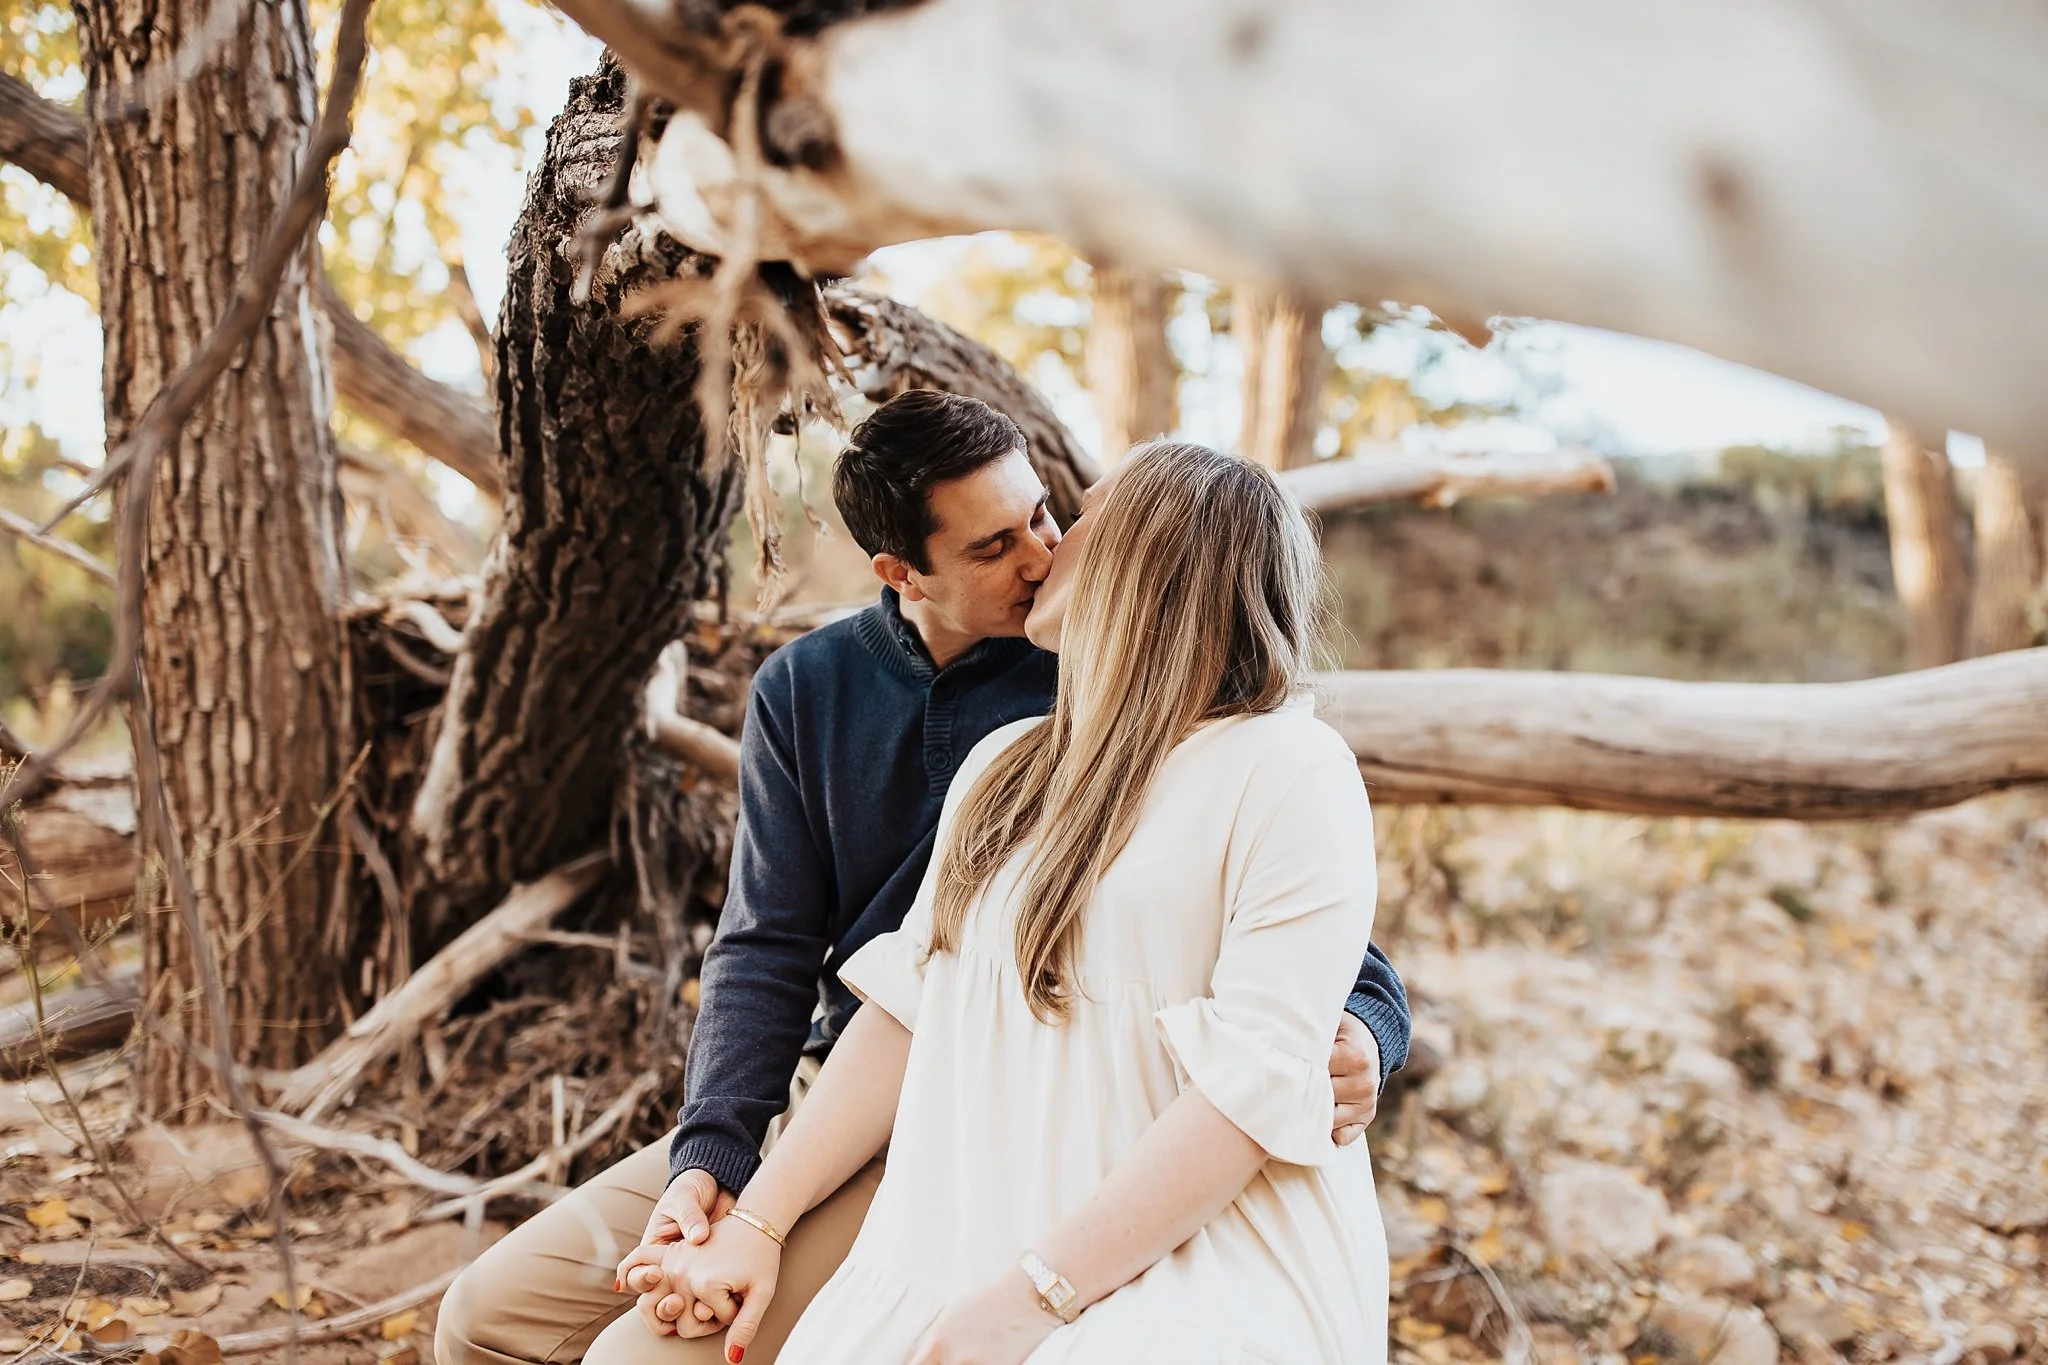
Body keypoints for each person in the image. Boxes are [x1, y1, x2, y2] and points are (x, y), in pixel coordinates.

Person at [434, 394, 1408, 1365]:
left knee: (650, 1357)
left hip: (1012, 1127)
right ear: (900, 572)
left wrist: (1364, 1023)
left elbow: (1294, 955)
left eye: (1046, 519)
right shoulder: (860, 706)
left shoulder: (1135, 701)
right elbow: (781, 951)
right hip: (855, 1084)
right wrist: (716, 1161)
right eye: (993, 548)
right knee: (483, 1319)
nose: (1039, 558)